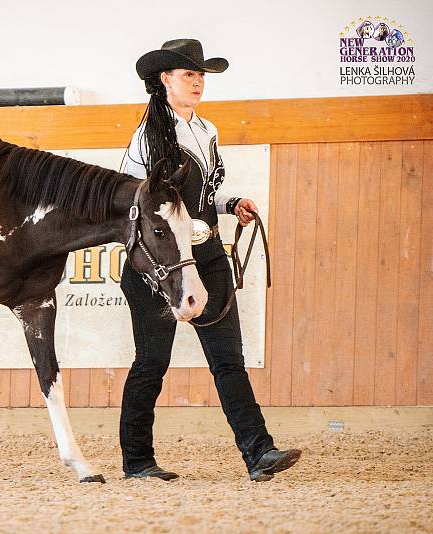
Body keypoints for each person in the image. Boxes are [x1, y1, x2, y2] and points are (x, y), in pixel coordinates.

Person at [119, 38, 301, 482]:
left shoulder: (207, 131)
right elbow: (129, 198)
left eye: (200, 74)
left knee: (227, 361)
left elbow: (203, 194)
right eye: (188, 74)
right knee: (151, 363)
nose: (198, 81)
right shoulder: (146, 139)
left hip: (209, 255)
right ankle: (138, 461)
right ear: (165, 80)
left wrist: (230, 202)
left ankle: (259, 453)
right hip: (161, 266)